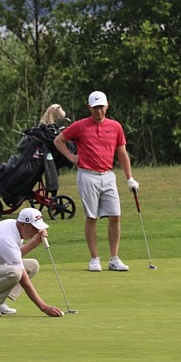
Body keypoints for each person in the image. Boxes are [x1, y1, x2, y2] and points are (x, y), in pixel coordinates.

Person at [53, 90, 139, 272]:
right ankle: (94, 259)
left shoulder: (115, 127)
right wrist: (71, 157)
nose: (99, 111)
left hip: (108, 175)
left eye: (101, 107)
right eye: (95, 107)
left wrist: (129, 177)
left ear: (107, 106)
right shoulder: (80, 126)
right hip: (87, 175)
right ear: (89, 108)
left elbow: (122, 153)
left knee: (115, 216)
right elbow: (58, 140)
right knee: (92, 217)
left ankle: (114, 258)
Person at [0, 207, 63, 317]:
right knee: (15, 272)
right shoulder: (6, 239)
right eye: (34, 228)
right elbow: (24, 281)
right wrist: (44, 307)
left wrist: (35, 241)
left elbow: (16, 254)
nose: (36, 232)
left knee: (32, 265)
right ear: (23, 225)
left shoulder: (13, 226)